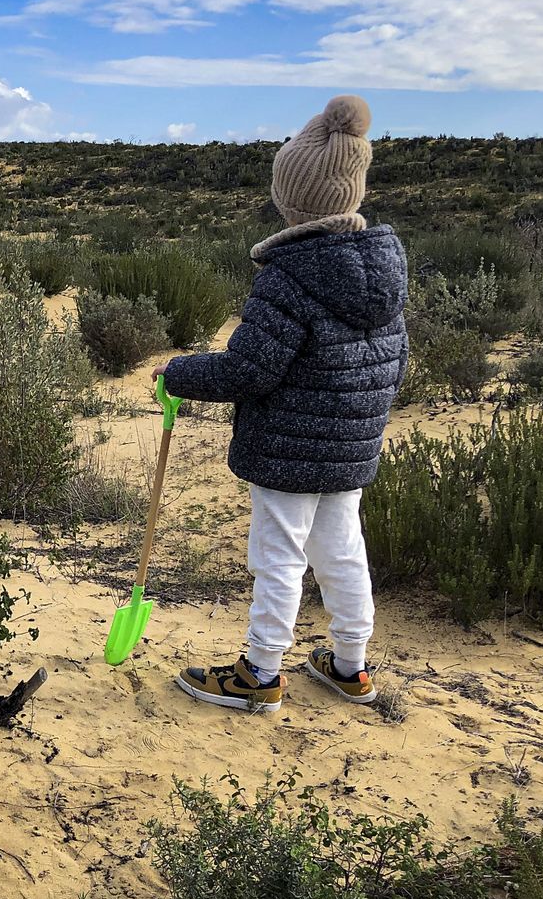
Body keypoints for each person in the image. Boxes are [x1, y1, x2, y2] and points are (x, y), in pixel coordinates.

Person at [155, 94, 408, 714]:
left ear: (290, 197)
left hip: (290, 446)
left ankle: (259, 674)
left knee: (278, 557)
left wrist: (179, 374)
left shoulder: (290, 274)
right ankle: (351, 666)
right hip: (352, 444)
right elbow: (396, 361)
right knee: (342, 550)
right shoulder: (384, 269)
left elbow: (250, 369)